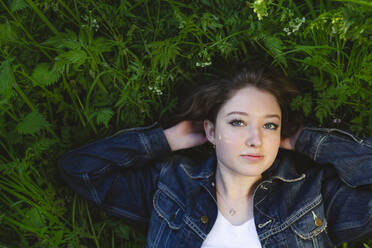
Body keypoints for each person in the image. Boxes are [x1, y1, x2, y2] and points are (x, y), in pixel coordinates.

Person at [58, 67, 372, 248]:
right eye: (237, 122)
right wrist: (165, 140)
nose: (255, 139)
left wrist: (307, 141)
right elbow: (81, 169)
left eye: (270, 125)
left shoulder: (313, 194)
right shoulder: (171, 186)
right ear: (210, 130)